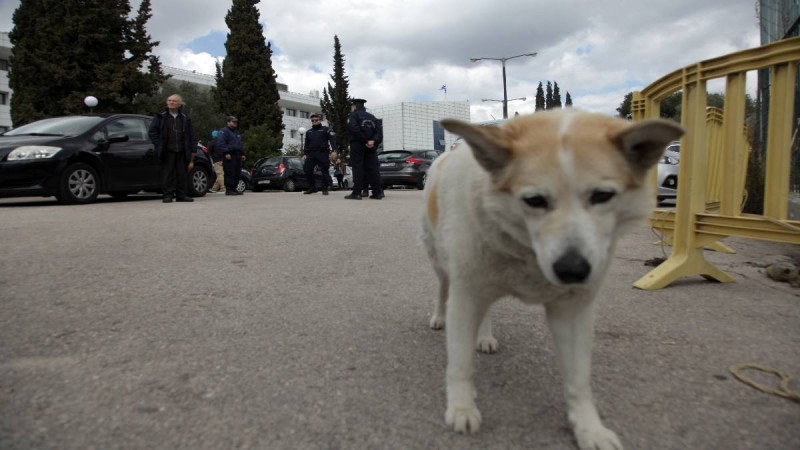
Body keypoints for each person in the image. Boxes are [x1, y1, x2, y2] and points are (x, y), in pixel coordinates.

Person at [148, 94, 197, 203]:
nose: (171, 102)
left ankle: (181, 195)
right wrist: (159, 144)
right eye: (169, 100)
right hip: (167, 151)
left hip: (182, 151)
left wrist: (193, 149)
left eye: (174, 101)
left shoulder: (185, 117)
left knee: (182, 174)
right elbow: (152, 132)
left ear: (179, 104)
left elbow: (191, 135)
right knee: (167, 174)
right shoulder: (161, 116)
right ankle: (167, 196)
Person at [345, 98, 383, 200]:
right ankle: (377, 193)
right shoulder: (372, 117)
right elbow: (379, 132)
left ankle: (357, 193)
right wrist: (373, 141)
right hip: (371, 146)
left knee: (358, 168)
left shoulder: (353, 115)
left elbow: (354, 129)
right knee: (373, 169)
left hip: (358, 144)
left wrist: (365, 141)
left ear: (354, 106)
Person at [302, 113, 337, 195]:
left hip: (322, 153)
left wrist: (334, 150)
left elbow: (332, 140)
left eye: (316, 120)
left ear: (320, 120)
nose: (314, 122)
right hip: (311, 153)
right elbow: (306, 144)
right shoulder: (309, 132)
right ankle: (312, 187)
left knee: (324, 170)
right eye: (313, 120)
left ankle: (325, 188)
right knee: (307, 169)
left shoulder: (326, 129)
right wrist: (305, 153)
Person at [216, 116, 245, 196]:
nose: (235, 123)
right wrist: (226, 152)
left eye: (236, 122)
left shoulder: (236, 132)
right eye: (233, 121)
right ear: (228, 122)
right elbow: (221, 143)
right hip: (230, 154)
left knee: (237, 172)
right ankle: (229, 189)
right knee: (230, 172)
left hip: (238, 155)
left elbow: (240, 144)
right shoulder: (223, 131)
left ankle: (234, 188)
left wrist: (242, 153)